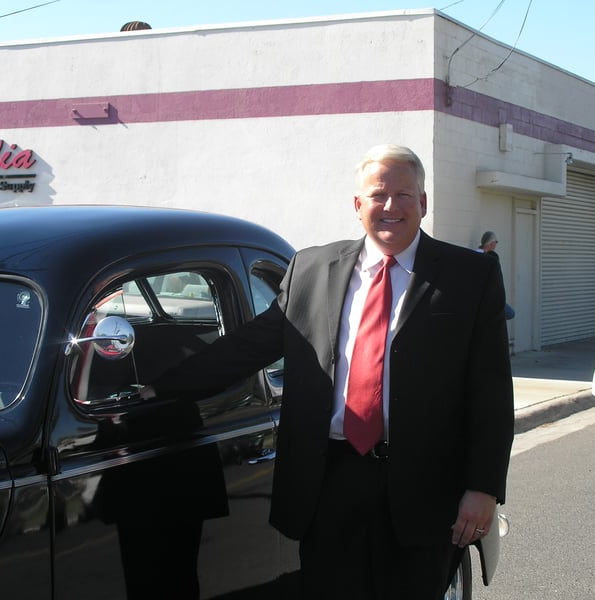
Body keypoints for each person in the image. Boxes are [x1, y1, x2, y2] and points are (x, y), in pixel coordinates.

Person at [141, 144, 514, 599]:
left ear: (423, 203)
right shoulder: (311, 268)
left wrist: (484, 489)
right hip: (329, 483)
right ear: (358, 206)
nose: (390, 206)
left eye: (403, 194)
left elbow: (491, 393)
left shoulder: (469, 276)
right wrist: (154, 388)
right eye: (378, 195)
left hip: (426, 490)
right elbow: (247, 348)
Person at [477, 230, 516, 320]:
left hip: (482, 295)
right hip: (488, 296)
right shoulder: (491, 258)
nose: (495, 245)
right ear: (491, 243)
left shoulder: (477, 252)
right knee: (510, 313)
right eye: (495, 242)